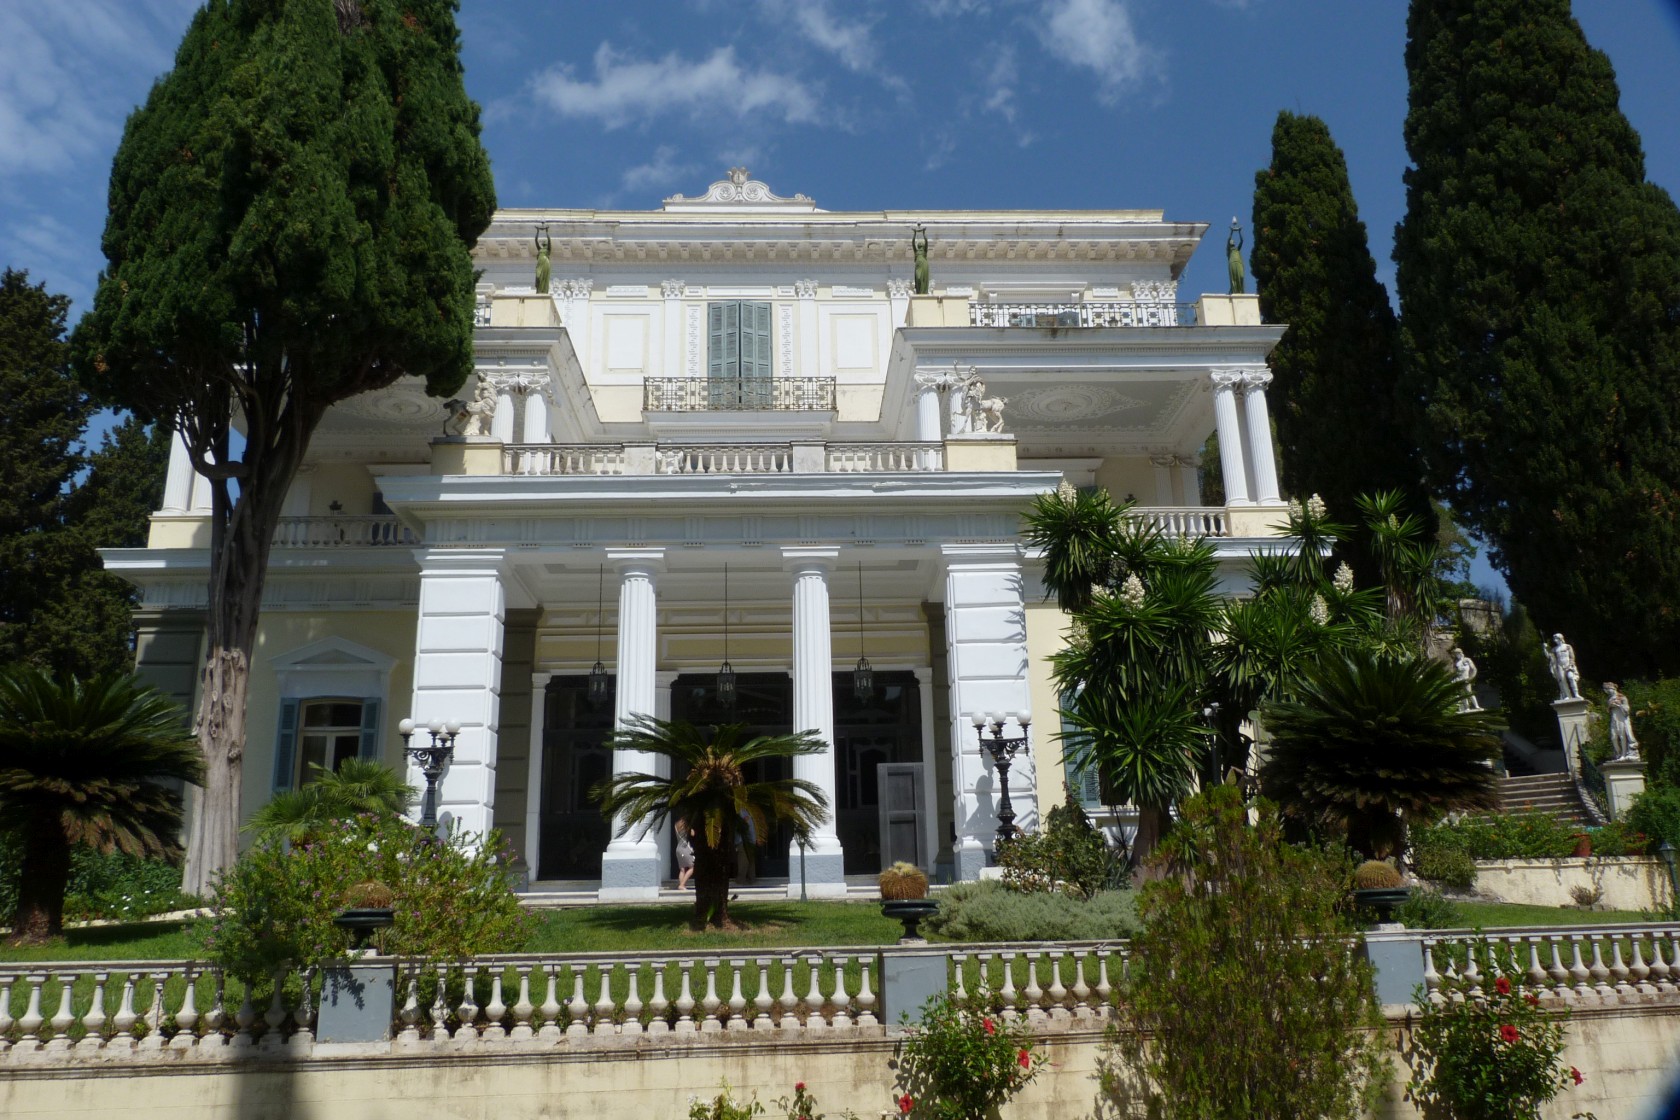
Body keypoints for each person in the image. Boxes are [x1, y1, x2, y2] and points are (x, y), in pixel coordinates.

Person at [674, 817, 695, 890]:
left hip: (678, 849)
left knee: (682, 869)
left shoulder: (676, 825)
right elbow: (693, 834)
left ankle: (681, 886)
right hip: (685, 849)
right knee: (693, 867)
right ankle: (682, 884)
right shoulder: (685, 826)